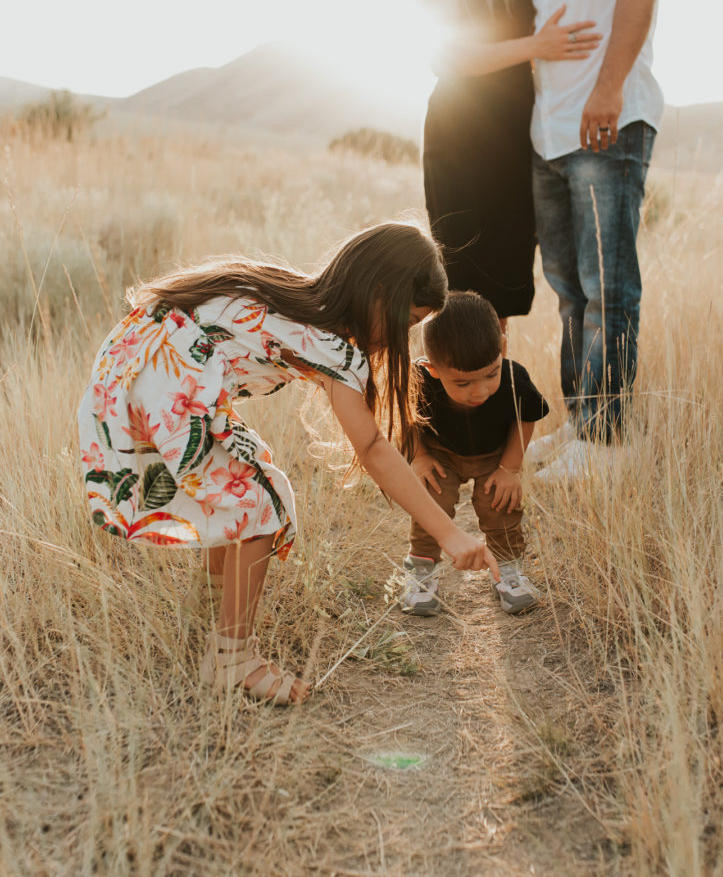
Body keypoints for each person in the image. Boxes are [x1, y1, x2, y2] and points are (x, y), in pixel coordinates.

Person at [78, 223, 501, 706]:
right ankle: (232, 658)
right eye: (408, 322)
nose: (402, 339)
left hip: (131, 371)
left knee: (246, 484)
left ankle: (210, 625)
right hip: (160, 389)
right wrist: (448, 533)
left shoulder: (288, 290)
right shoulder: (332, 346)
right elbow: (374, 449)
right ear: (378, 294)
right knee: (259, 500)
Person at [511, 0, 665, 479]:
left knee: (609, 285)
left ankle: (608, 442)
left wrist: (606, 88)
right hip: (551, 132)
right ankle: (581, 422)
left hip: (606, 119)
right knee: (569, 285)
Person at [412, 0, 601, 328]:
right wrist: (535, 47)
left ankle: (498, 407)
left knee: (505, 296)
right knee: (467, 295)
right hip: (465, 141)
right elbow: (445, 56)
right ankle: (451, 403)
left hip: (515, 142)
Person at [400, 291, 549, 616]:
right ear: (433, 368)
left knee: (501, 506)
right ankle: (421, 572)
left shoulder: (512, 377)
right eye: (464, 383)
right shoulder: (418, 380)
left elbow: (527, 417)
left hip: (493, 458)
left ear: (502, 348)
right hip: (440, 455)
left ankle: (508, 571)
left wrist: (510, 469)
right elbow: (406, 419)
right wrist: (419, 456)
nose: (480, 390)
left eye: (490, 374)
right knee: (430, 502)